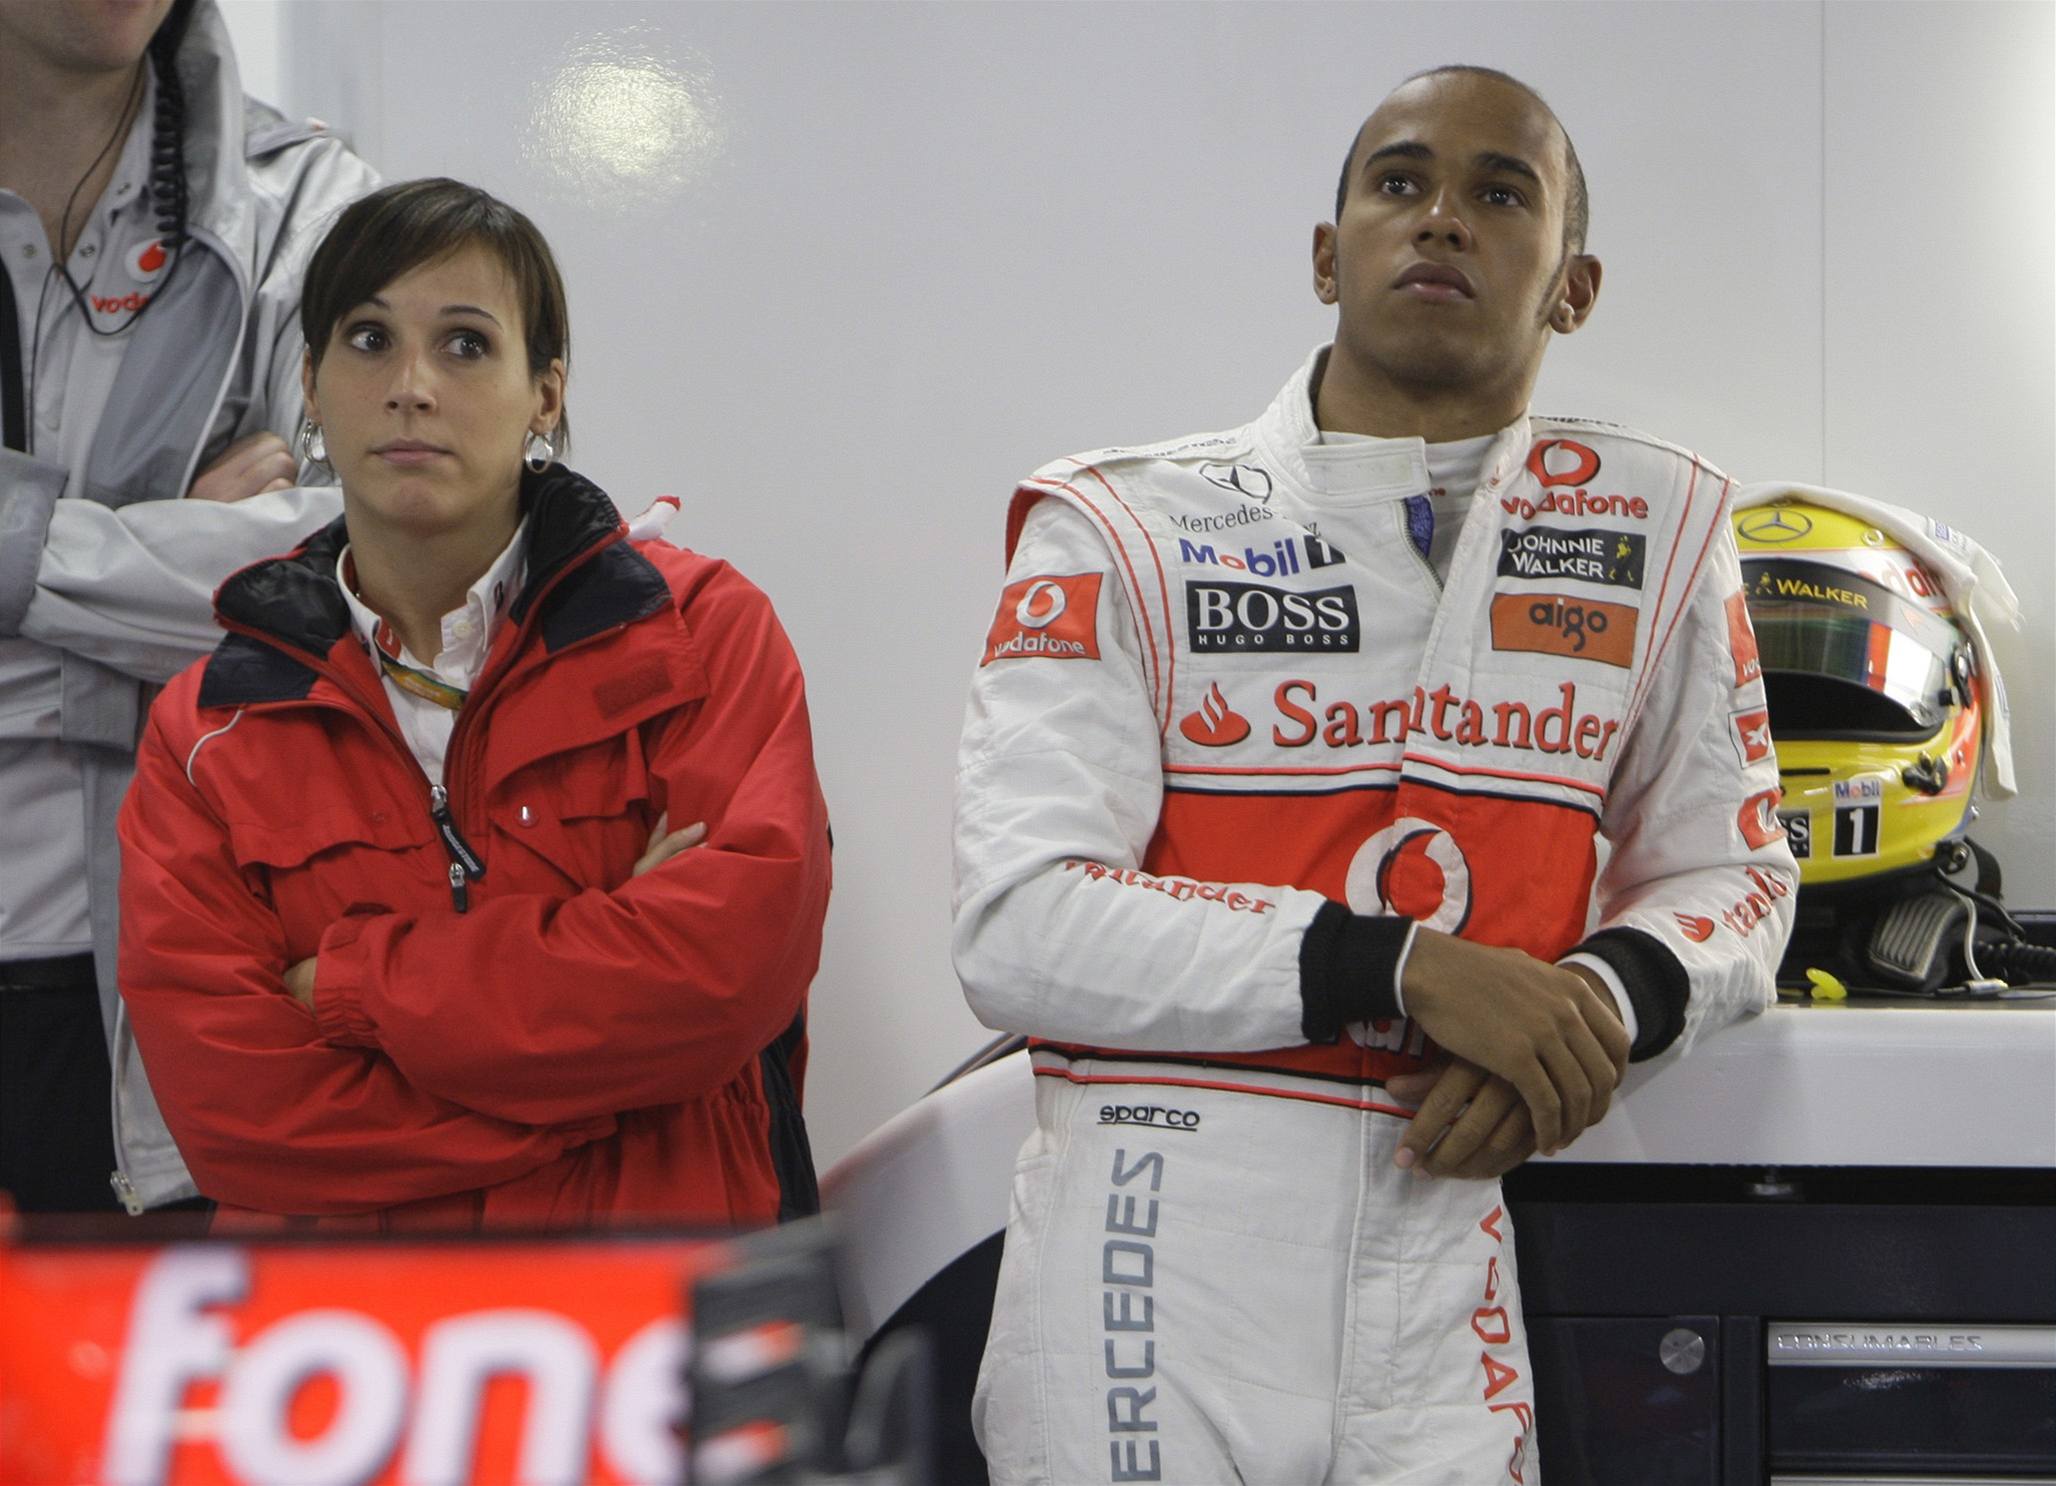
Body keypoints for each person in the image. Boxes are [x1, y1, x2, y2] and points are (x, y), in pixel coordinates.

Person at [953, 66, 1796, 1482]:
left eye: (1500, 193)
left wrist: (1590, 1010)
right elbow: (1018, 922)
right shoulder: (1122, 523)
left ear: (1573, 287)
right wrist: (1395, 967)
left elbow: (1737, 873)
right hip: (1151, 1248)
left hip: (1450, 1219)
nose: (1442, 217)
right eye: (1399, 182)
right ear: (1325, 255)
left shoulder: (1656, 524)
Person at [115, 178, 831, 1230]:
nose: (411, 387)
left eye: (464, 344)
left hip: (655, 1297)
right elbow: (235, 1112)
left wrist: (347, 986)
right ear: (309, 381)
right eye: (369, 339)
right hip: (353, 1326)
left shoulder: (699, 633)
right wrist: (604, 1076)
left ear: (545, 393)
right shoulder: (206, 728)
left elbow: (723, 975)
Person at [0, 0, 378, 1214]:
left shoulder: (311, 208)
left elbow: (361, 570)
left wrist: (19, 558)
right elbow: (270, 598)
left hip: (169, 1011)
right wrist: (174, 566)